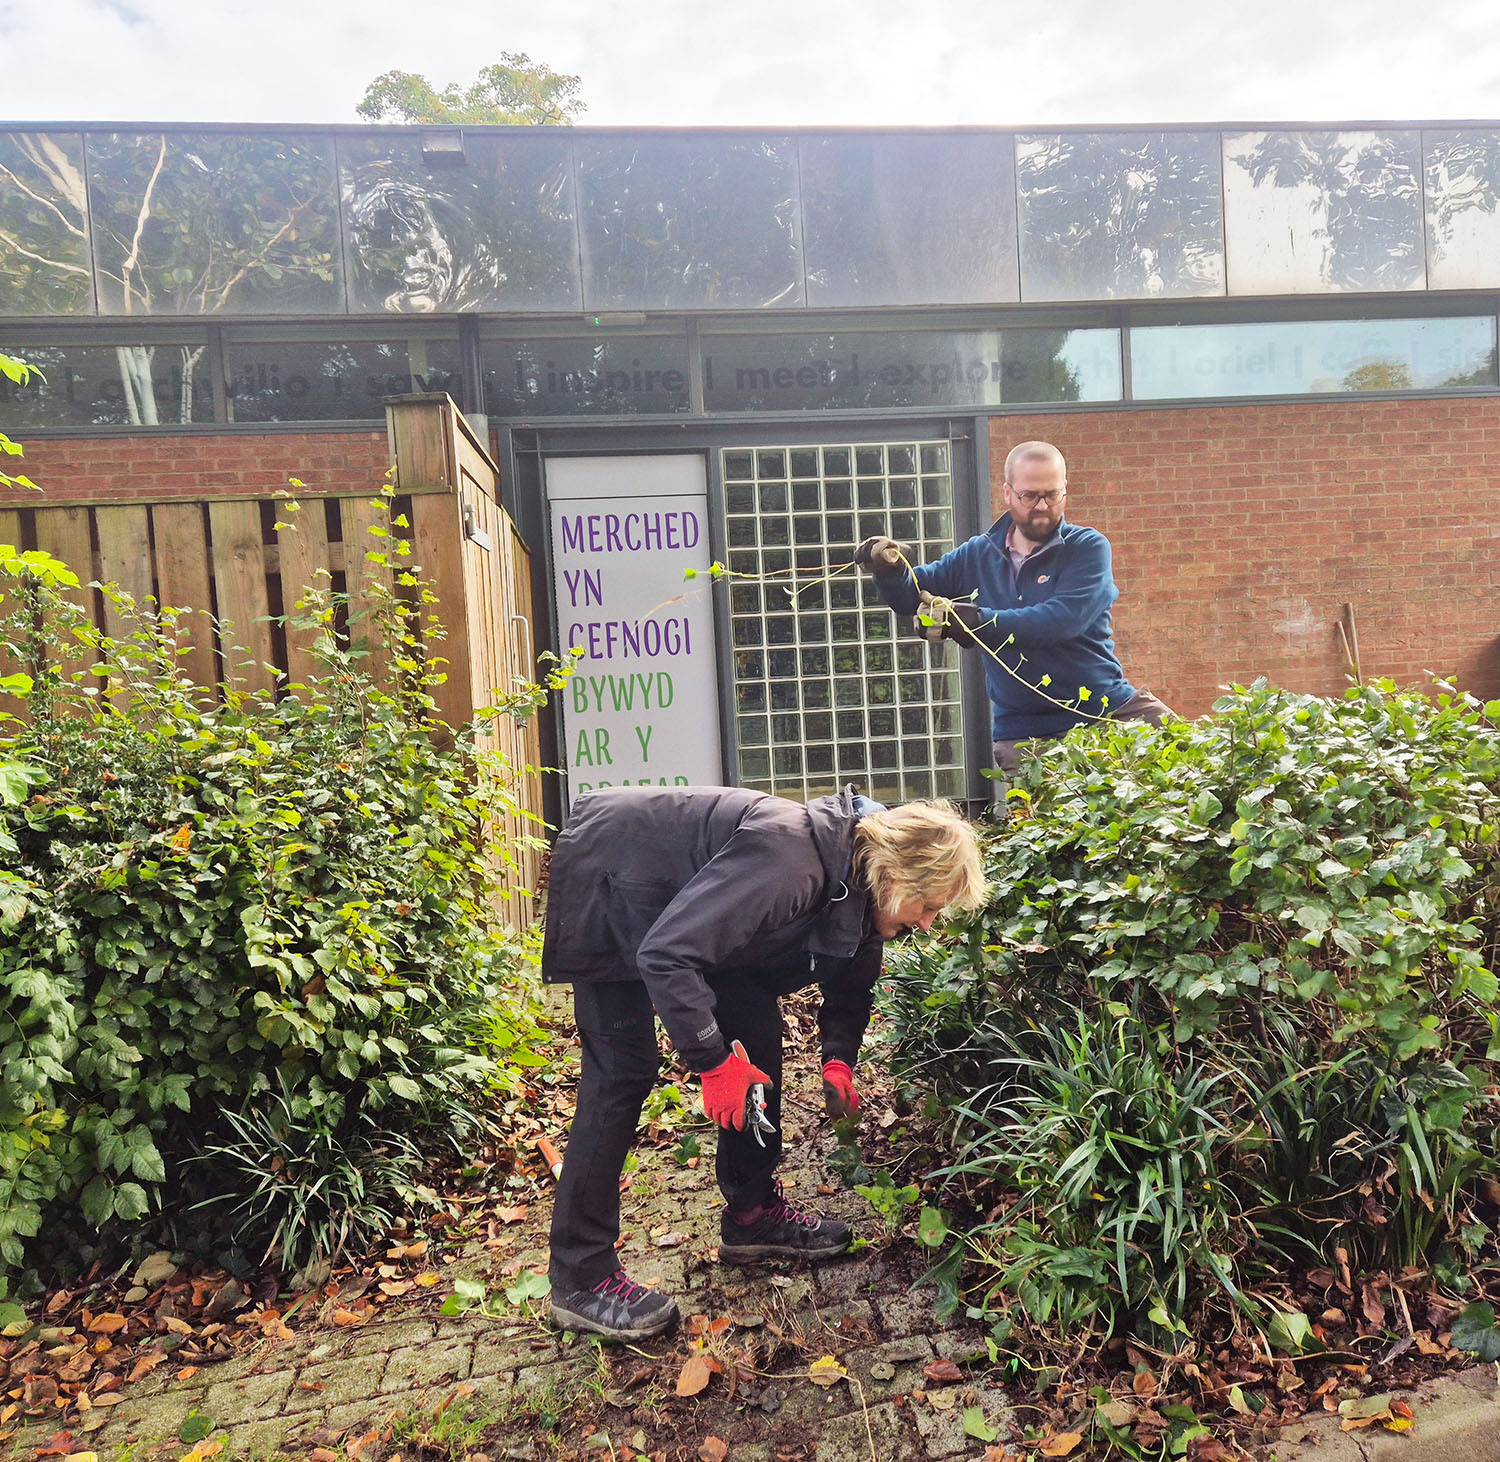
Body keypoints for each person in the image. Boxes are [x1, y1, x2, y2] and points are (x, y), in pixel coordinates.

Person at [542, 784, 986, 1340]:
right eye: (928, 907)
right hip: (617, 876)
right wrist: (711, 1061)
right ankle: (580, 1277)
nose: (926, 923)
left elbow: (854, 979)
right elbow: (666, 953)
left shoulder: (858, 883)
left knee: (754, 1035)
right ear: (897, 877)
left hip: (694, 919)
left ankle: (750, 1216)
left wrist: (838, 1062)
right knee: (622, 1071)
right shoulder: (790, 860)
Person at [857, 440, 1172, 775]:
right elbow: (910, 596)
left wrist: (977, 622)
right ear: (1007, 493)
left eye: (1052, 495)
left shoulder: (1087, 547)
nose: (1041, 506)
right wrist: (889, 570)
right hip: (1025, 735)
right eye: (1029, 496)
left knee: (1190, 763)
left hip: (1104, 712)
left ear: (1065, 490)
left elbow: (1062, 619)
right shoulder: (977, 554)